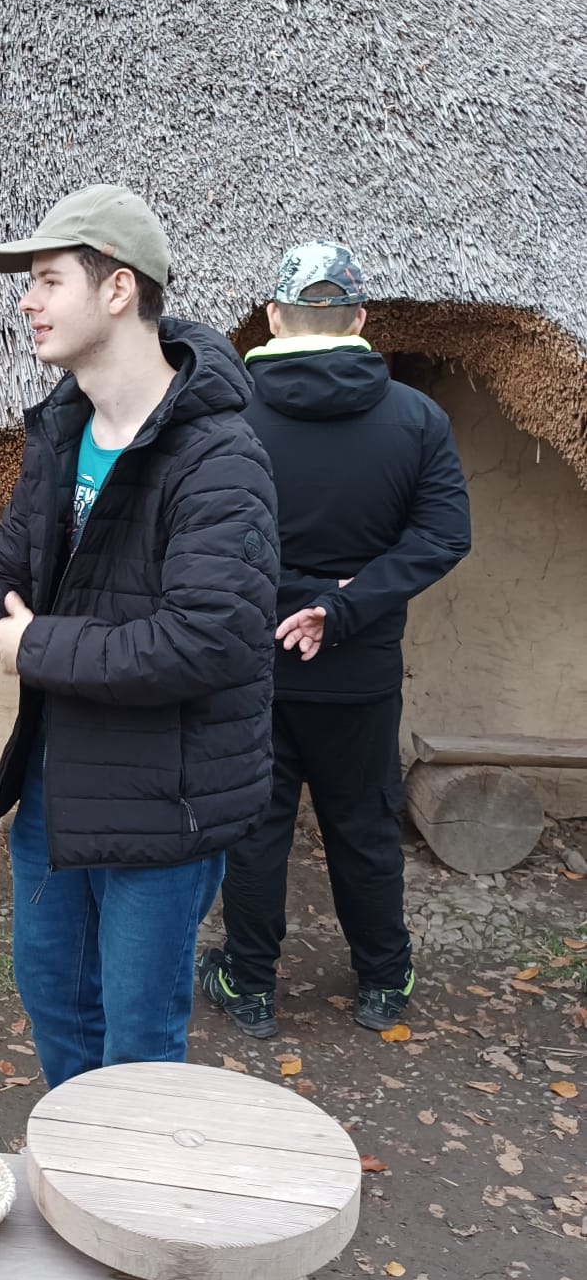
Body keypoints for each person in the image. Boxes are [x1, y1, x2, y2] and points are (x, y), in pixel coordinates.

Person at [0, 186, 279, 1087]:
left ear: (118, 289)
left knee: (138, 1041)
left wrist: (33, 647)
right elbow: (3, 565)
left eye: (48, 280)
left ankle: (128, 1177)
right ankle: (73, 1161)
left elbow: (209, 641)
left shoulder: (220, 457)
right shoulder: (63, 430)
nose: (27, 301)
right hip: (57, 782)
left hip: (166, 802)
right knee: (54, 998)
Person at [200, 244, 471, 1039]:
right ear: (358, 319)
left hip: (251, 664)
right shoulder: (416, 419)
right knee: (363, 824)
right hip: (359, 666)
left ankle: (250, 986)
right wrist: (341, 607)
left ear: (273, 318)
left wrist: (274, 602)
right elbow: (444, 536)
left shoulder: (226, 416)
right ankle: (384, 981)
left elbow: (200, 537)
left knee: (256, 828)